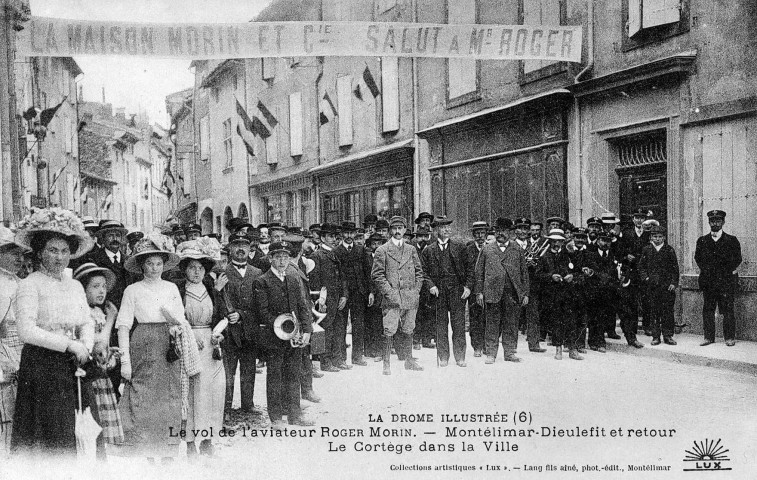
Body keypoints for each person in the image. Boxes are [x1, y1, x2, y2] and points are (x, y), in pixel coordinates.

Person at [11, 208, 95, 457]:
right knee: (51, 432)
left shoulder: (76, 285)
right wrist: (69, 345)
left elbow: (86, 321)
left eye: (65, 251)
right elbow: (27, 331)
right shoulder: (29, 284)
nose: (60, 257)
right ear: (39, 252)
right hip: (42, 365)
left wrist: (85, 347)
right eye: (53, 250)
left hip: (74, 364)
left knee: (80, 426)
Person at [116, 234, 188, 461]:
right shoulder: (133, 290)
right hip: (143, 342)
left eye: (158, 263)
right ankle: (146, 449)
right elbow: (123, 326)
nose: (154, 268)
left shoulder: (171, 288)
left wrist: (176, 327)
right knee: (143, 396)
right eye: (149, 263)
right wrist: (125, 361)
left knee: (169, 395)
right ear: (141, 265)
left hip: (168, 344)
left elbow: (181, 318)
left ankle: (168, 450)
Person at [174, 238, 227, 458]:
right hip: (189, 344)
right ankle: (189, 443)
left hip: (210, 345)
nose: (196, 272)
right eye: (192, 268)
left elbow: (222, 316)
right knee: (192, 394)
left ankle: (207, 439)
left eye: (200, 268)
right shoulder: (178, 291)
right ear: (185, 270)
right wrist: (188, 336)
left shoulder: (211, 290)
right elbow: (175, 319)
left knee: (213, 392)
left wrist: (218, 334)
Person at [253, 241, 315, 428]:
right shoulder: (262, 281)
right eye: (278, 256)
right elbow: (262, 312)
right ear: (270, 258)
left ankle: (295, 415)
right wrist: (282, 325)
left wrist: (307, 330)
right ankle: (276, 417)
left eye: (285, 257)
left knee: (293, 375)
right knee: (275, 376)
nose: (282, 260)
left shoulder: (293, 278)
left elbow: (303, 306)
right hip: (274, 337)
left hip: (294, 337)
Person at [73, 263, 124, 459]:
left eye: (103, 286)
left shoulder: (98, 311)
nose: (101, 291)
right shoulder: (82, 312)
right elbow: (96, 343)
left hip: (100, 372)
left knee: (100, 425)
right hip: (87, 374)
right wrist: (111, 319)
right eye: (95, 286)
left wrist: (110, 354)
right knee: (91, 419)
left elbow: (104, 346)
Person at [371, 216, 424, 375]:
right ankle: (386, 364)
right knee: (389, 330)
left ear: (405, 230)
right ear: (389, 231)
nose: (397, 231)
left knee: (409, 328)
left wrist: (416, 291)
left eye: (400, 228)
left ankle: (409, 361)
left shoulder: (411, 249)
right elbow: (377, 275)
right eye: (394, 228)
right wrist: (390, 293)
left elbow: (419, 273)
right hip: (392, 298)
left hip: (409, 296)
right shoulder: (382, 250)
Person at [474, 217, 529, 364]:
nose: (501, 234)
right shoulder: (487, 248)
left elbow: (524, 272)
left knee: (511, 323)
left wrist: (525, 293)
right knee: (491, 323)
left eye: (504, 231)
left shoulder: (517, 249)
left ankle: (510, 352)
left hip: (512, 293)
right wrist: (479, 292)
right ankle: (491, 353)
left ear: (510, 233)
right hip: (492, 292)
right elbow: (479, 272)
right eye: (498, 231)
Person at [223, 233, 263, 418]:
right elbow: (218, 303)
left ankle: (248, 403)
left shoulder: (257, 273)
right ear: (230, 248)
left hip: (249, 330)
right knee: (227, 371)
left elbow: (261, 305)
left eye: (244, 245)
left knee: (248, 369)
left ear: (250, 249)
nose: (241, 249)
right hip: (229, 333)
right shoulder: (222, 271)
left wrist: (242, 314)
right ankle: (226, 407)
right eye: (236, 245)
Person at [421, 216, 470, 367]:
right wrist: (430, 286)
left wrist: (468, 286)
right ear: (436, 231)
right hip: (438, 292)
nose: (447, 229)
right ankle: (443, 357)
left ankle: (460, 357)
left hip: (457, 291)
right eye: (443, 227)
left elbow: (470, 268)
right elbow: (423, 272)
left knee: (459, 325)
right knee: (440, 326)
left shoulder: (460, 247)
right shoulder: (429, 251)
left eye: (448, 226)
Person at [0, 226, 30, 455]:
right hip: (5, 350)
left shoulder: (19, 283)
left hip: (21, 346)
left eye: (22, 254)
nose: (20, 259)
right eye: (13, 253)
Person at [694, 209, 742, 347]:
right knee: (708, 310)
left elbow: (737, 259)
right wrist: (710, 271)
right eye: (713, 221)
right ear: (709, 222)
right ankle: (709, 337)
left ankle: (729, 338)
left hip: (726, 281)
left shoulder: (732, 240)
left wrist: (723, 271)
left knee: (728, 310)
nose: (715, 223)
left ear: (723, 222)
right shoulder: (702, 241)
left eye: (718, 220)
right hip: (708, 281)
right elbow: (698, 258)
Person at [536, 229, 583, 360]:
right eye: (554, 241)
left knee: (572, 321)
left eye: (559, 241)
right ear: (550, 242)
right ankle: (558, 349)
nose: (557, 244)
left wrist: (572, 276)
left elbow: (579, 272)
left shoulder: (569, 255)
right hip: (553, 295)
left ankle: (573, 349)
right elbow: (538, 274)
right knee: (557, 322)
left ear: (563, 242)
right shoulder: (544, 257)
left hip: (569, 294)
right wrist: (551, 276)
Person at [309, 223, 348, 372]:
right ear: (322, 237)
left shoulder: (335, 254)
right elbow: (314, 281)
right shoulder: (316, 256)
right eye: (330, 236)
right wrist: (319, 301)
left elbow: (343, 277)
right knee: (323, 330)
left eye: (335, 237)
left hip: (337, 299)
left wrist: (344, 295)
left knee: (338, 330)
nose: (333, 239)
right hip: (324, 300)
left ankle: (337, 360)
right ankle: (323, 363)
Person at [334, 221, 370, 367]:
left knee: (358, 325)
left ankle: (357, 356)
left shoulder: (361, 250)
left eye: (351, 233)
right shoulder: (336, 251)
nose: (349, 236)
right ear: (342, 234)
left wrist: (370, 292)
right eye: (346, 233)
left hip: (359, 293)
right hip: (343, 294)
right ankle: (341, 357)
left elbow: (368, 272)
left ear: (355, 234)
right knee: (341, 326)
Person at [638, 226, 679, 346]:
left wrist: (673, 283)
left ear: (664, 238)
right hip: (652, 287)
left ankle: (668, 335)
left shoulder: (669, 250)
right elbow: (641, 267)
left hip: (667, 287)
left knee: (667, 312)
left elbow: (675, 269)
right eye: (655, 236)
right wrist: (645, 278)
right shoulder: (647, 250)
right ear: (651, 237)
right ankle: (655, 336)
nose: (657, 239)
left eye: (660, 237)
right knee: (654, 312)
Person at [513, 217, 546, 353]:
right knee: (513, 316)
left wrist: (534, 265)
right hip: (514, 285)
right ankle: (511, 346)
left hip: (531, 285)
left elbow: (542, 265)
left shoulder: (535, 246)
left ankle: (534, 344)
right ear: (515, 230)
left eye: (525, 228)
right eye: (520, 228)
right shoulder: (510, 245)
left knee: (533, 315)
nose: (523, 231)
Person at [465, 221, 489, 356]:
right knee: (475, 318)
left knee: (488, 317)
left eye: (482, 233)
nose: (480, 236)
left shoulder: (491, 248)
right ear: (473, 235)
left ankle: (487, 344)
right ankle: (477, 346)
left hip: (489, 288)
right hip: (474, 289)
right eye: (477, 234)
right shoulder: (468, 250)